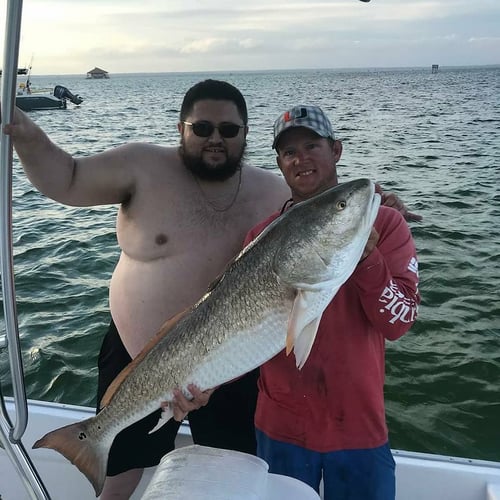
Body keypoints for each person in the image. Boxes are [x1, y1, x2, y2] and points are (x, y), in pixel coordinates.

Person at [2, 83, 418, 500]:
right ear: (181, 128)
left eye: (229, 130)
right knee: (123, 474)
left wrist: (374, 210)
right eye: (202, 127)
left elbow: (329, 211)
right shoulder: (143, 167)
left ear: (245, 135)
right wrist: (23, 130)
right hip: (157, 361)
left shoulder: (272, 190)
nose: (215, 138)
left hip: (256, 377)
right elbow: (69, 179)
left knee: (226, 471)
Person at [241, 105, 421, 500]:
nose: (300, 158)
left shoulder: (385, 223)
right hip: (280, 426)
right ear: (279, 164)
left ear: (336, 150)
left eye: (311, 146)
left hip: (358, 426)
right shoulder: (260, 236)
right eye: (289, 152)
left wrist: (368, 261)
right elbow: (241, 329)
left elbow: (400, 322)